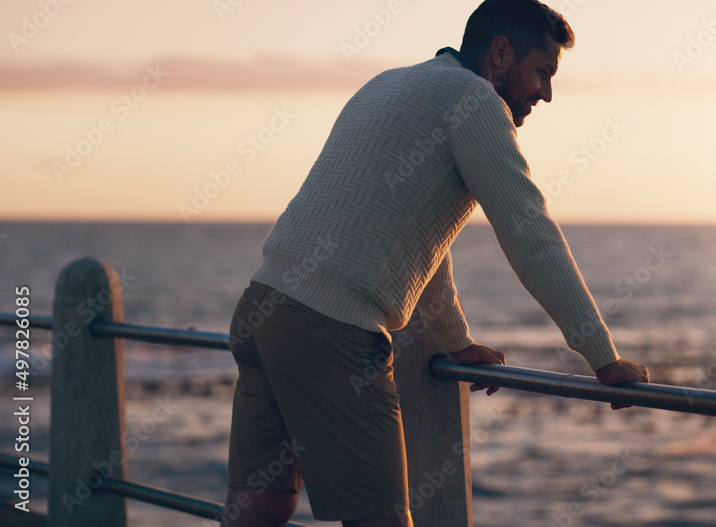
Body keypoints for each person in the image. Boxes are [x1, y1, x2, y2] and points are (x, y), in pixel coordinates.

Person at [222, 1, 649, 525]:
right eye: (543, 72)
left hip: (261, 311)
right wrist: (603, 359)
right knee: (382, 518)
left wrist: (457, 343)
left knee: (260, 505)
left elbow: (420, 239)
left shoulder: (390, 83)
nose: (547, 92)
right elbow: (529, 232)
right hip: (328, 329)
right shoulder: (475, 102)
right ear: (500, 53)